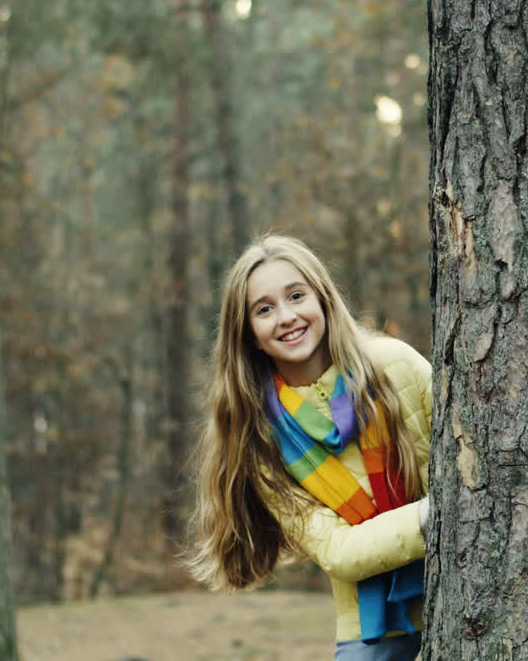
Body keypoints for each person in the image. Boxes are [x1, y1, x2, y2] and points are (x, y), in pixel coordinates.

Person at [185, 234, 432, 661]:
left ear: (322, 299)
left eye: (296, 295)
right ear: (250, 335)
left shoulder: (396, 365)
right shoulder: (259, 440)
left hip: (463, 588)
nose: (286, 316)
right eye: (264, 309)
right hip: (371, 627)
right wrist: (440, 515)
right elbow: (341, 552)